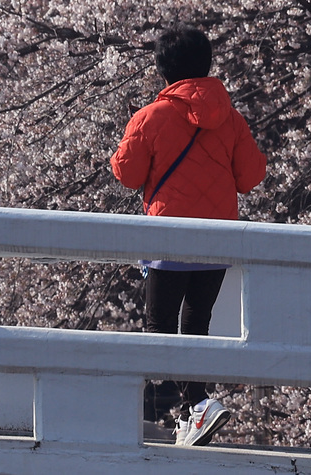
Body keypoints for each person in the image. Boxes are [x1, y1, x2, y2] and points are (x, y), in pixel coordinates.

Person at [111, 25, 267, 447]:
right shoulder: (230, 118)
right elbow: (250, 177)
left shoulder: (151, 116)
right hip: (217, 238)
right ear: (206, 64)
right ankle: (191, 412)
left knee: (159, 325)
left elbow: (127, 175)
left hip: (169, 237)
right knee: (197, 322)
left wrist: (127, 140)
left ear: (164, 70)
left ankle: (197, 402)